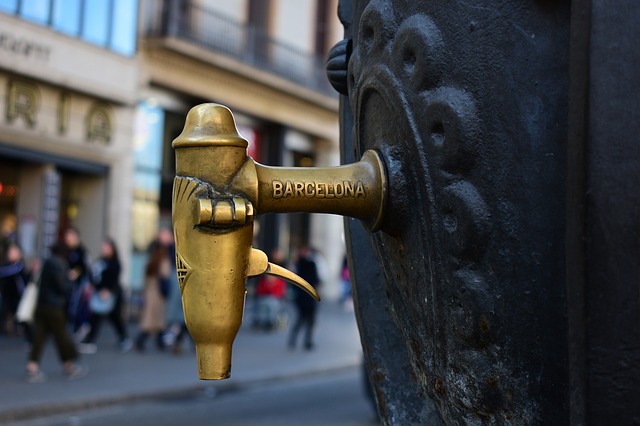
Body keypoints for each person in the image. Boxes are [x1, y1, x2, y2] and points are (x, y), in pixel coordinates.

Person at [26, 243, 87, 383]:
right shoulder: (61, 264)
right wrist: (71, 279)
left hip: (41, 305)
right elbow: (62, 286)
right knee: (62, 337)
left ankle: (32, 366)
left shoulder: (46, 262)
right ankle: (69, 366)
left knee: (39, 337)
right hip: (55, 307)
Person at [78, 238, 132, 354]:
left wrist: (108, 290)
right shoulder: (101, 261)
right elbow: (95, 274)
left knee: (113, 317)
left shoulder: (115, 263)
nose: (104, 250)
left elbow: (114, 279)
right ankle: (91, 340)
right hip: (98, 293)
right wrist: (92, 285)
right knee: (99, 317)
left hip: (110, 294)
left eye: (107, 247)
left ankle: (123, 338)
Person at [134, 235, 171, 352]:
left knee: (152, 320)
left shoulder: (150, 261)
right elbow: (166, 274)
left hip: (150, 293)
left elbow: (145, 279)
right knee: (156, 320)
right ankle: (143, 341)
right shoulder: (162, 261)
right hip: (158, 294)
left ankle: (157, 342)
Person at [288, 245, 321, 350]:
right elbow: (316, 280)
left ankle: (302, 341)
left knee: (304, 320)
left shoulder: (300, 264)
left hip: (305, 297)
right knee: (304, 320)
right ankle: (304, 341)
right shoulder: (304, 264)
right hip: (307, 296)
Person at [62, 228, 91, 338]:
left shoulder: (82, 252)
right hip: (65, 284)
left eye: (71, 237)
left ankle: (76, 327)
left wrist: (77, 272)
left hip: (78, 284)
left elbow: (87, 268)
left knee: (75, 306)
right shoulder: (65, 251)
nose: (68, 239)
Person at [0, 243, 27, 335]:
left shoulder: (19, 266)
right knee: (4, 310)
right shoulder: (5, 264)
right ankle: (7, 327)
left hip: (18, 295)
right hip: (6, 294)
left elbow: (9, 271)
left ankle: (20, 328)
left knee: (18, 312)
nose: (12, 253)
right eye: (10, 252)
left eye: (14, 251)